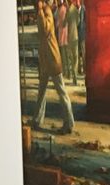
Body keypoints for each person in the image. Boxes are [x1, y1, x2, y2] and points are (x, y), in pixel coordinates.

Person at [32, 0, 75, 134]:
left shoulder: (47, 12)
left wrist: (40, 12)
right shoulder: (42, 12)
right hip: (46, 60)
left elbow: (45, 30)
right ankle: (37, 120)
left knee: (61, 92)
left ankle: (69, 123)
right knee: (41, 92)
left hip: (52, 59)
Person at [66, 0, 80, 85]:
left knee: (71, 58)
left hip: (69, 37)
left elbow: (65, 23)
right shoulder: (75, 10)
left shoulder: (68, 12)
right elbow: (78, 22)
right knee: (76, 57)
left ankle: (73, 76)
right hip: (75, 36)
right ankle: (75, 77)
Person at [57, 0, 69, 79]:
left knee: (63, 56)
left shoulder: (59, 11)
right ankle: (68, 73)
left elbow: (57, 24)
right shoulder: (66, 9)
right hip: (66, 35)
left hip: (61, 35)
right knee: (67, 55)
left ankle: (65, 72)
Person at [78, 0, 86, 76]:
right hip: (79, 35)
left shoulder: (83, 9)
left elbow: (82, 23)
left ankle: (85, 70)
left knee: (84, 53)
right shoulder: (79, 9)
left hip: (82, 35)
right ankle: (81, 70)